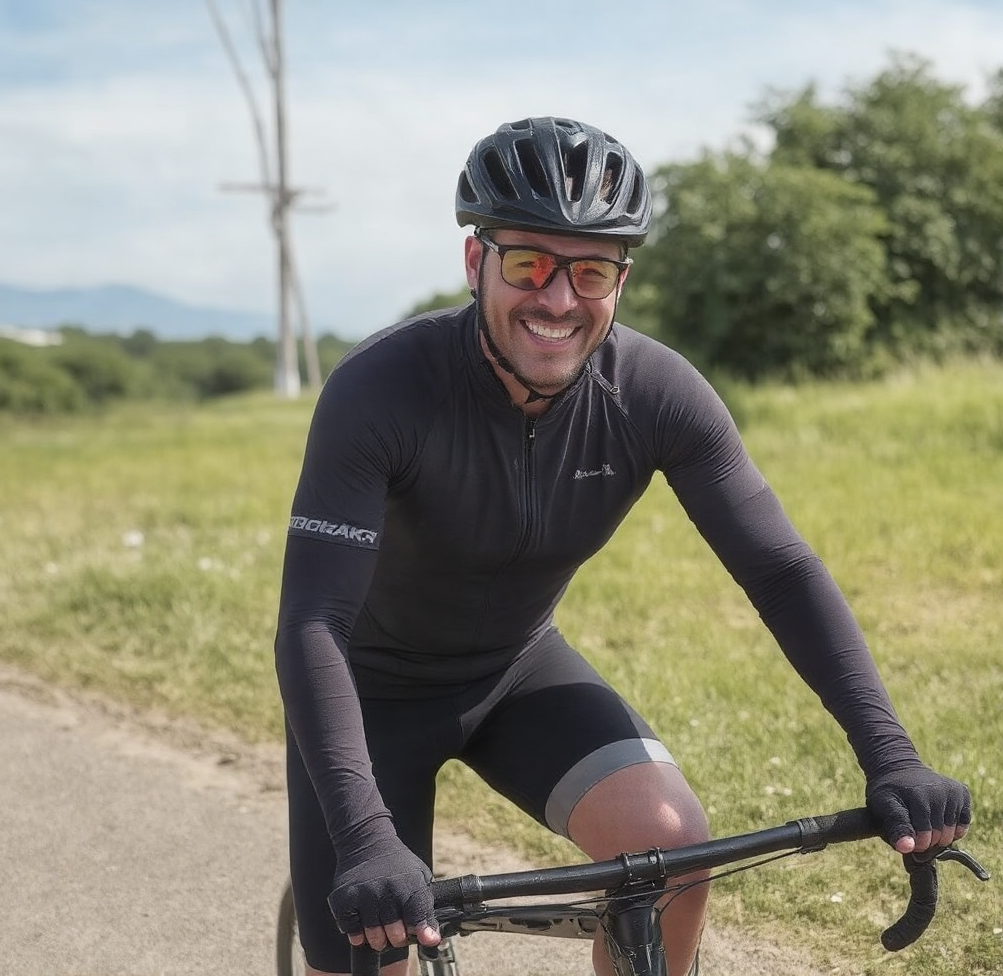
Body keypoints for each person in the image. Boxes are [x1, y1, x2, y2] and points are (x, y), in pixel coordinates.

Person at [274, 116, 972, 976]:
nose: (558, 300)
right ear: (473, 264)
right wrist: (366, 838)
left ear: (621, 282)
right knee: (368, 953)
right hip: (365, 691)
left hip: (516, 671)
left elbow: (782, 572)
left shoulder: (656, 394)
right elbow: (315, 621)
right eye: (528, 264)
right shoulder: (379, 391)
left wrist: (891, 755)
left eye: (591, 271)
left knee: (671, 847)